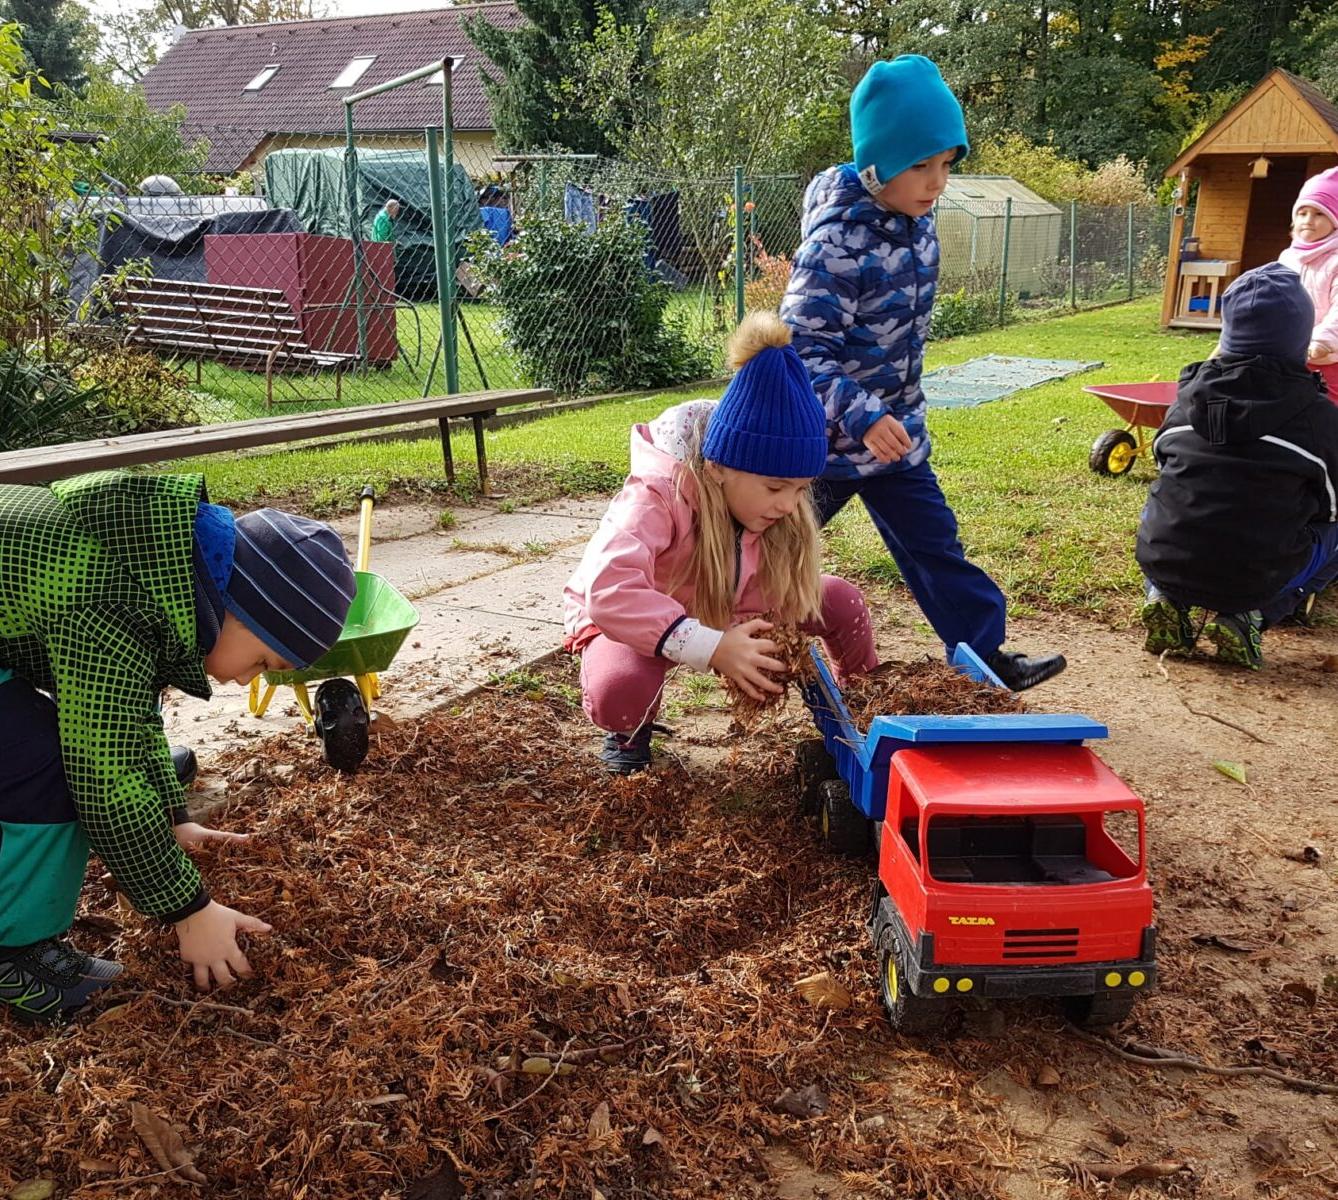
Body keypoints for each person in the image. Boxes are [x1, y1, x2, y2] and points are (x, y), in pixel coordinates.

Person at [0, 472, 357, 1024]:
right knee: (51, 764)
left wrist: (169, 814)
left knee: (100, 745)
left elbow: (131, 699)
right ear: (242, 608)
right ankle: (15, 954)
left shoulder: (160, 561)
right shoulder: (110, 598)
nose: (246, 682)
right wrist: (189, 911)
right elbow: (101, 781)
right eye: (264, 661)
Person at [780, 56, 1065, 692]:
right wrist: (862, 414)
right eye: (921, 165)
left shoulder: (918, 225)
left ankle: (986, 657)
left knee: (936, 546)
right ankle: (683, 642)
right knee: (758, 557)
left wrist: (893, 416)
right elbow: (801, 352)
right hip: (820, 446)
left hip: (897, 437)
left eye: (946, 163)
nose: (937, 181)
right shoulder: (835, 243)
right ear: (877, 165)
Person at [563, 312, 880, 774]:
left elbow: (788, 580)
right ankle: (628, 740)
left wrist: (747, 635)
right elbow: (610, 590)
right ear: (717, 469)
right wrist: (711, 646)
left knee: (840, 599)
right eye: (776, 488)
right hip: (645, 615)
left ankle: (865, 705)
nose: (791, 506)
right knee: (620, 688)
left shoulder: (771, 500)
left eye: (800, 488)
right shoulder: (656, 494)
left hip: (734, 606)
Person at [1138, 263, 1338, 668]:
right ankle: (1255, 614)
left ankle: (1161, 596)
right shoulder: (1317, 417)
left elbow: (1162, 457)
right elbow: (1331, 502)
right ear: (1299, 340)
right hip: (1256, 574)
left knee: (1166, 497)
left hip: (1165, 557)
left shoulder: (1188, 400)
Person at [1279, 166, 1338, 403]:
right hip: (1288, 354)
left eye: (1319, 214)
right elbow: (1273, 298)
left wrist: (1322, 341)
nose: (1308, 221)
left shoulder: (1335, 261)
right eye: (1302, 213)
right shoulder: (1287, 257)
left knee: (1328, 409)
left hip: (1327, 357)